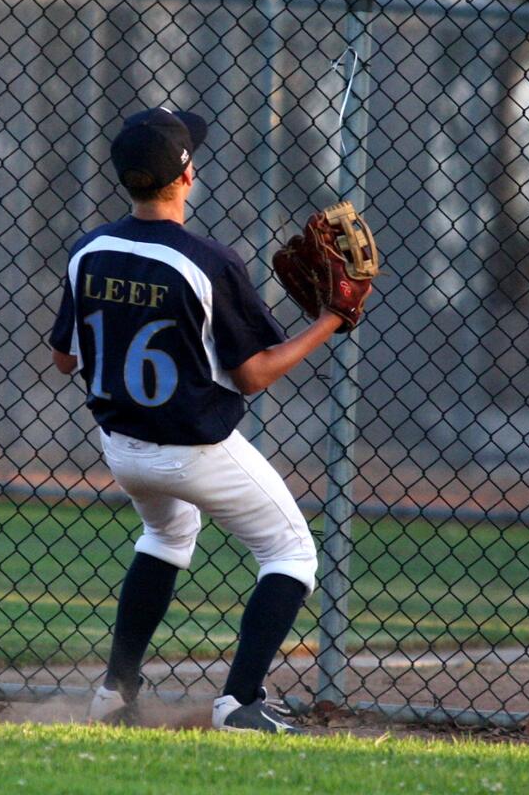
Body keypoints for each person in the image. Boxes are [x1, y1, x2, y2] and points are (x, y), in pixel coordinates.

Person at [48, 107, 361, 733]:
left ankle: (115, 691)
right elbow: (252, 375)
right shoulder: (209, 260)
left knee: (165, 537)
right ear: (186, 175)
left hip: (122, 447)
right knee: (291, 553)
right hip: (193, 448)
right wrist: (333, 319)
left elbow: (63, 358)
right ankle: (239, 702)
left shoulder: (90, 249)